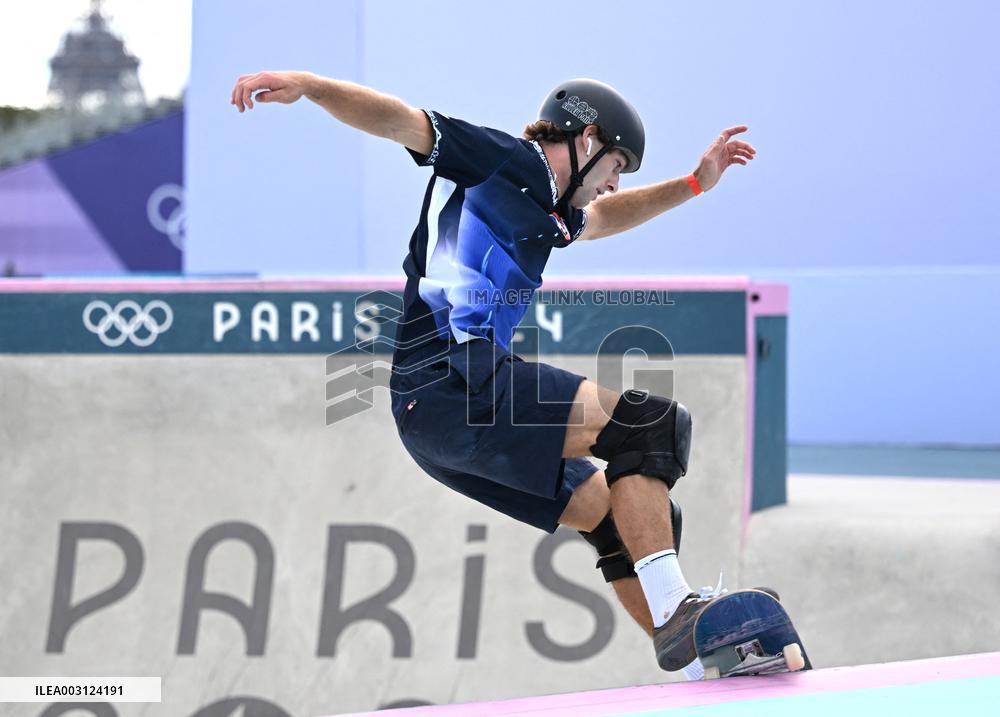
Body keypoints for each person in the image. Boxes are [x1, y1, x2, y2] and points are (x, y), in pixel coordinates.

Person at [231, 71, 759, 680]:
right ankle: (678, 612)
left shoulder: (550, 207)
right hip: (456, 382)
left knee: (626, 516)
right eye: (616, 163)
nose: (615, 182)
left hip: (433, 426)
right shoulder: (501, 159)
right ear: (586, 140)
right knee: (649, 427)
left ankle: (703, 672)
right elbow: (399, 119)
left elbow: (608, 217)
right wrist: (308, 86)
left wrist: (696, 183)